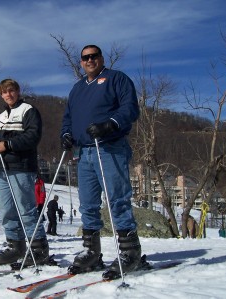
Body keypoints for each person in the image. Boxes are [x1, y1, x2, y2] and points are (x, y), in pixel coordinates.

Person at [60, 44, 141, 278]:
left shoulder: (116, 78)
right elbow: (68, 118)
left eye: (94, 56)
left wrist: (111, 123)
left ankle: (130, 252)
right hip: (84, 151)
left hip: (109, 147)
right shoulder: (77, 89)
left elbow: (130, 108)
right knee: (87, 204)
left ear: (101, 58)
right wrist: (66, 134)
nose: (89, 60)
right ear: (81, 62)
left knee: (117, 199)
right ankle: (91, 251)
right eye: (85, 57)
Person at [0, 78, 50, 268]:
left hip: (21, 167)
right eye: (4, 92)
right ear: (1, 95)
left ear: (17, 91)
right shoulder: (2, 116)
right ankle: (15, 247)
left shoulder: (28, 110)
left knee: (26, 210)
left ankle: (39, 249)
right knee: (7, 211)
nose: (8, 95)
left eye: (11, 91)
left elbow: (33, 136)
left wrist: (8, 144)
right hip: (2, 168)